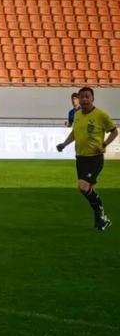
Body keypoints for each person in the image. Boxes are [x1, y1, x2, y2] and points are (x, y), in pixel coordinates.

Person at [56, 86, 117, 231]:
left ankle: (101, 215)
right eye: (81, 97)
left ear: (92, 98)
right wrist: (64, 144)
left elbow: (114, 132)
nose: (84, 99)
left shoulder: (101, 115)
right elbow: (74, 133)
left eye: (87, 96)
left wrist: (104, 144)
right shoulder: (77, 115)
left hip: (94, 158)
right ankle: (101, 220)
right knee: (88, 189)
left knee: (83, 187)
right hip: (80, 157)